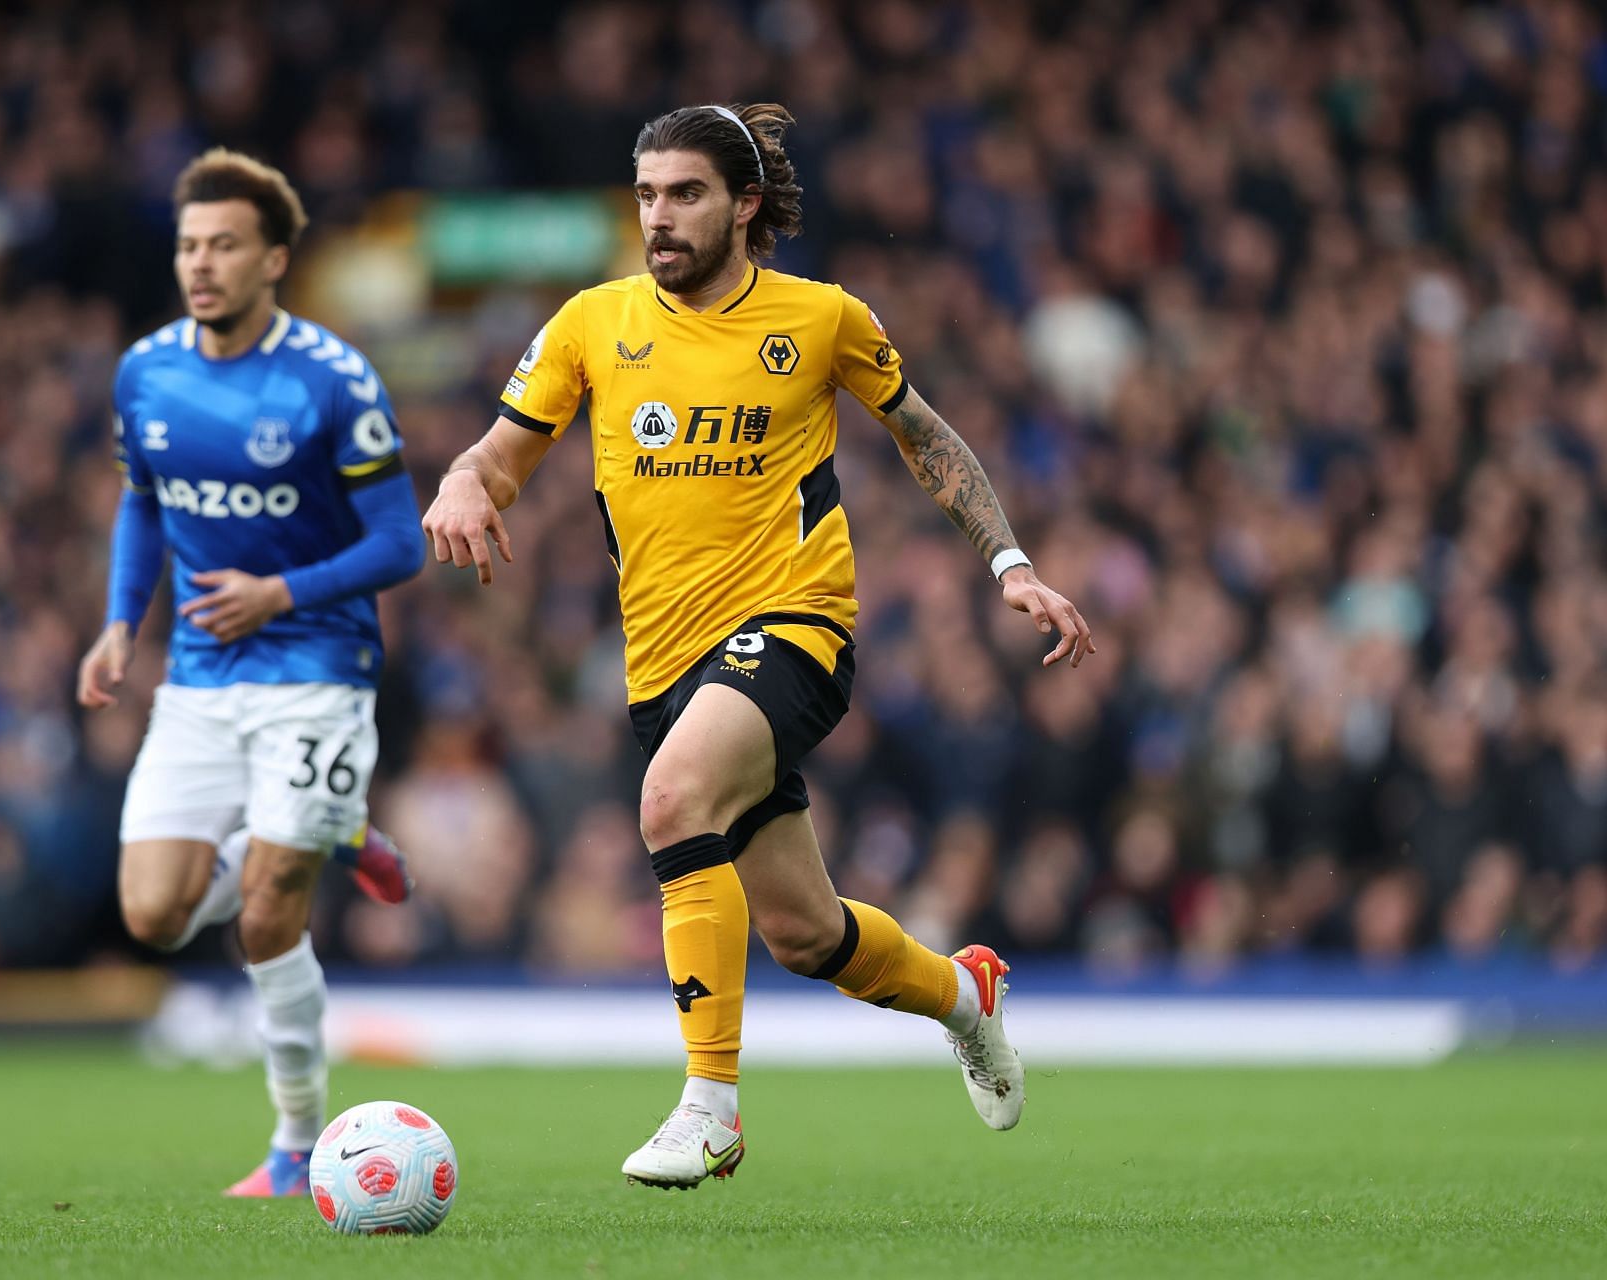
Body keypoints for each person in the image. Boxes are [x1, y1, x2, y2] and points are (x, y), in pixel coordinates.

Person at [422, 104, 1096, 1189]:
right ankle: (966, 996)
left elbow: (925, 435)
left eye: (684, 193)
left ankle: (710, 1107)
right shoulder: (593, 323)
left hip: (794, 628)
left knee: (669, 799)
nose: (659, 217)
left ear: (743, 204)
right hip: (664, 662)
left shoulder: (821, 319)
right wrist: (460, 480)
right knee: (804, 933)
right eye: (645, 195)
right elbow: (498, 460)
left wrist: (1009, 563)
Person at [76, 149, 425, 1196]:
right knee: (153, 915)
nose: (202, 263)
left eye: (225, 244)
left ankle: (296, 1144)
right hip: (198, 679)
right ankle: (335, 827)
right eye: (190, 244)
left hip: (318, 666)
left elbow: (401, 542)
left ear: (274, 257)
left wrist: (283, 592)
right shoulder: (146, 371)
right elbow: (144, 500)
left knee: (269, 907)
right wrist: (116, 624)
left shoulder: (332, 378)